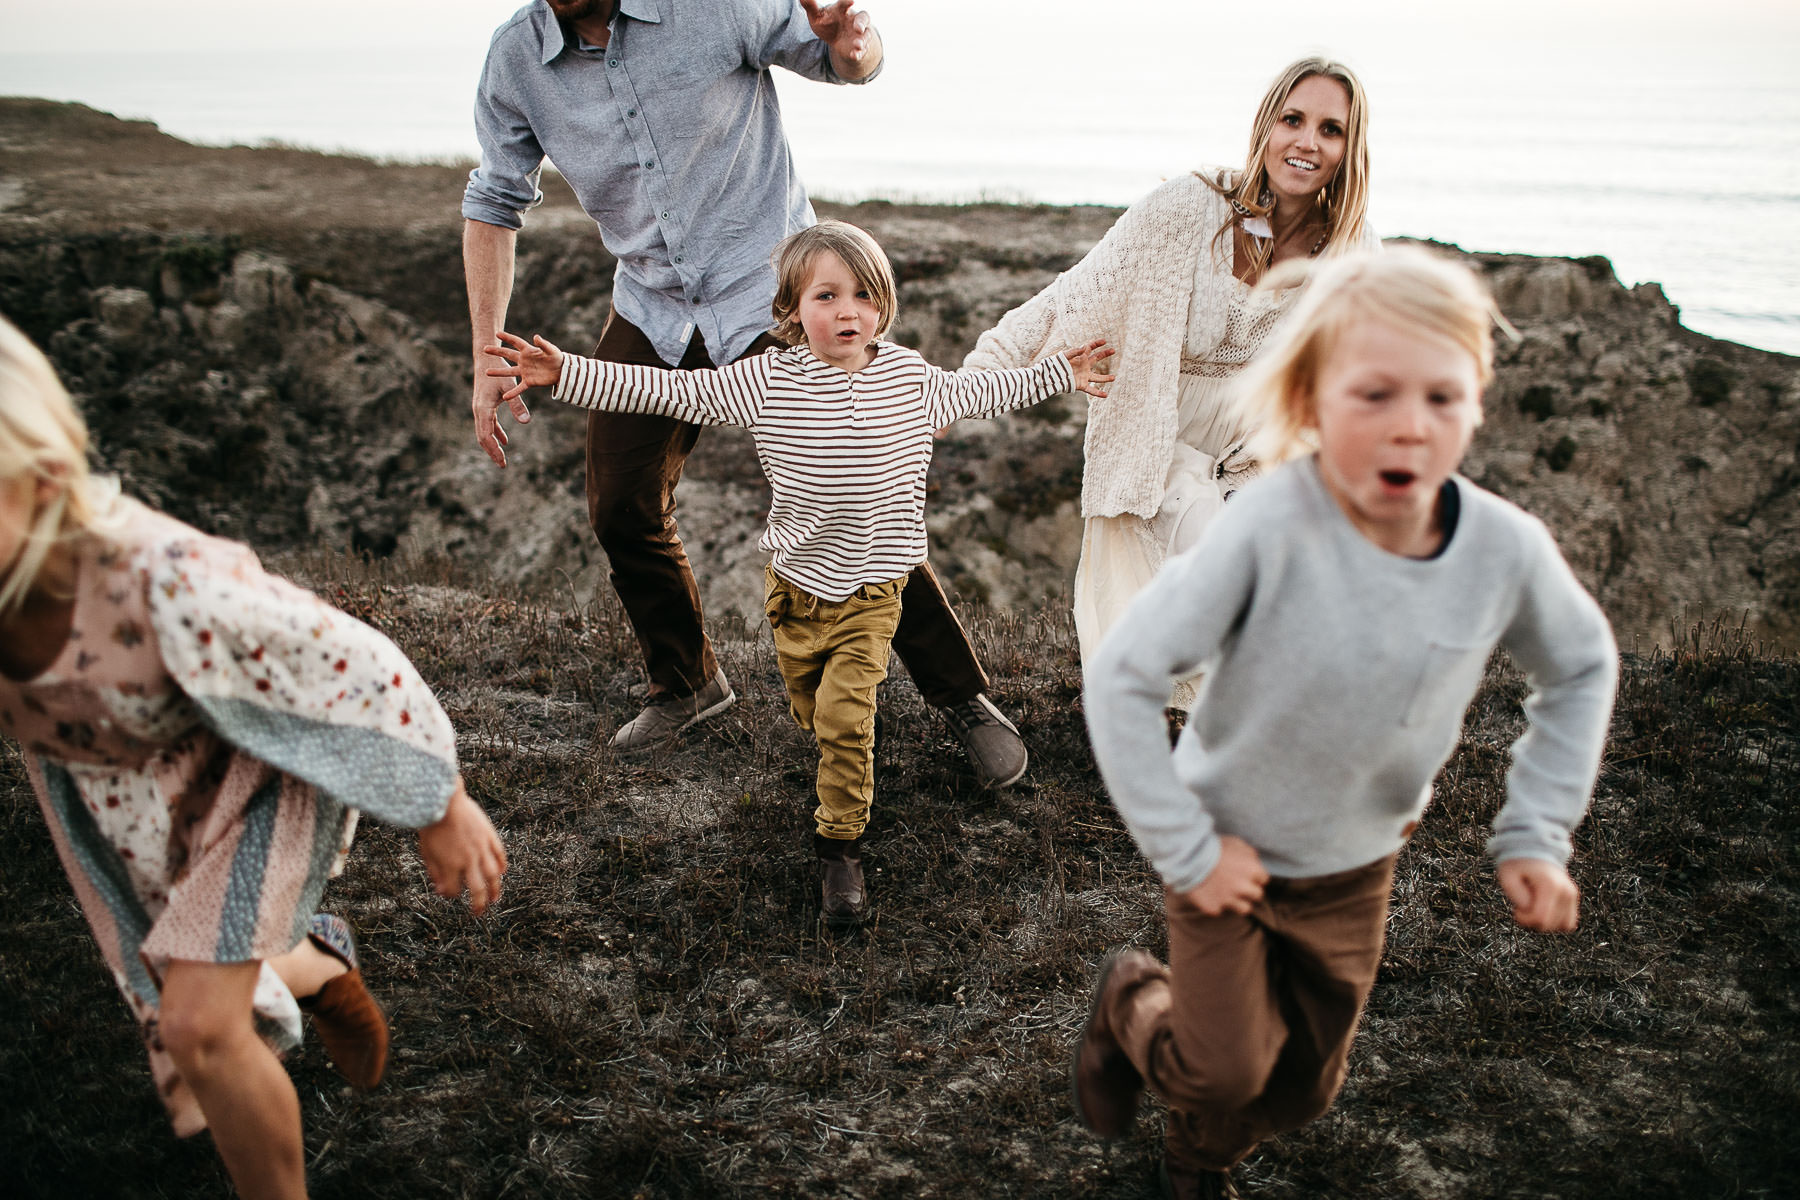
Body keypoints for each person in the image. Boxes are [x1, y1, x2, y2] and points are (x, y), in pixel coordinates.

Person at [1070, 250, 1618, 1199]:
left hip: (1354, 868)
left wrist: (1536, 830)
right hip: (1223, 846)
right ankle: (1131, 1006)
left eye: (1443, 398)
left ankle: (1203, 1143)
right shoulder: (1270, 526)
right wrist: (1186, 847)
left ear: (1476, 404)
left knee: (1303, 1089)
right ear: (1313, 403)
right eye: (1373, 395)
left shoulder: (1502, 550)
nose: (1411, 426)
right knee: (1224, 1067)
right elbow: (1123, 673)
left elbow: (1579, 663)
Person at [463, 0, 1034, 787]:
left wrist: (852, 45)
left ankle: (962, 698)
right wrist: (485, 353)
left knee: (853, 494)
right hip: (653, 304)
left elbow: (843, 59)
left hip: (767, 290)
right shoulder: (517, 58)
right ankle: (690, 683)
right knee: (619, 502)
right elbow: (494, 200)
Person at [0, 317, 508, 1200]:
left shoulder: (163, 578)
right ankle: (314, 964)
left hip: (255, 786)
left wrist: (439, 802)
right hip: (127, 806)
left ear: (40, 485)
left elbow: (352, 663)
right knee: (179, 969)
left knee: (198, 1026)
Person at [483, 220, 1113, 925]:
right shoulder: (766, 381)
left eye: (864, 296)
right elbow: (667, 393)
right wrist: (565, 370)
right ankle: (831, 748)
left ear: (885, 305)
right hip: (796, 595)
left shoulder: (910, 380)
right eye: (827, 295)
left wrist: (1064, 373)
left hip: (877, 591)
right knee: (814, 709)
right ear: (789, 310)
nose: (848, 311)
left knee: (847, 719)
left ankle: (838, 848)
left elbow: (987, 391)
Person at [965, 57, 1379, 703]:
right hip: (1154, 440)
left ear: (1349, 150)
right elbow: (1076, 294)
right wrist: (975, 381)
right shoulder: (1192, 208)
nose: (1306, 141)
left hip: (1255, 460)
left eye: (1331, 129)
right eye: (1293, 119)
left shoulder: (1351, 254)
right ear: (1266, 123)